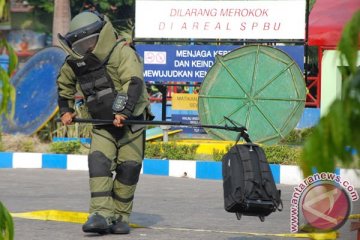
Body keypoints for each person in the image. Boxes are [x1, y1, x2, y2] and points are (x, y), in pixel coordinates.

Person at [56, 11, 153, 234]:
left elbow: (133, 82)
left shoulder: (122, 53)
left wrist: (124, 112)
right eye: (81, 44)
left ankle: (120, 216)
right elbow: (64, 86)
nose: (86, 48)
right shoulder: (74, 62)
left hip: (132, 124)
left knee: (129, 168)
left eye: (90, 41)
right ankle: (100, 213)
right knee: (98, 163)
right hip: (102, 124)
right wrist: (65, 110)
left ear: (101, 35)